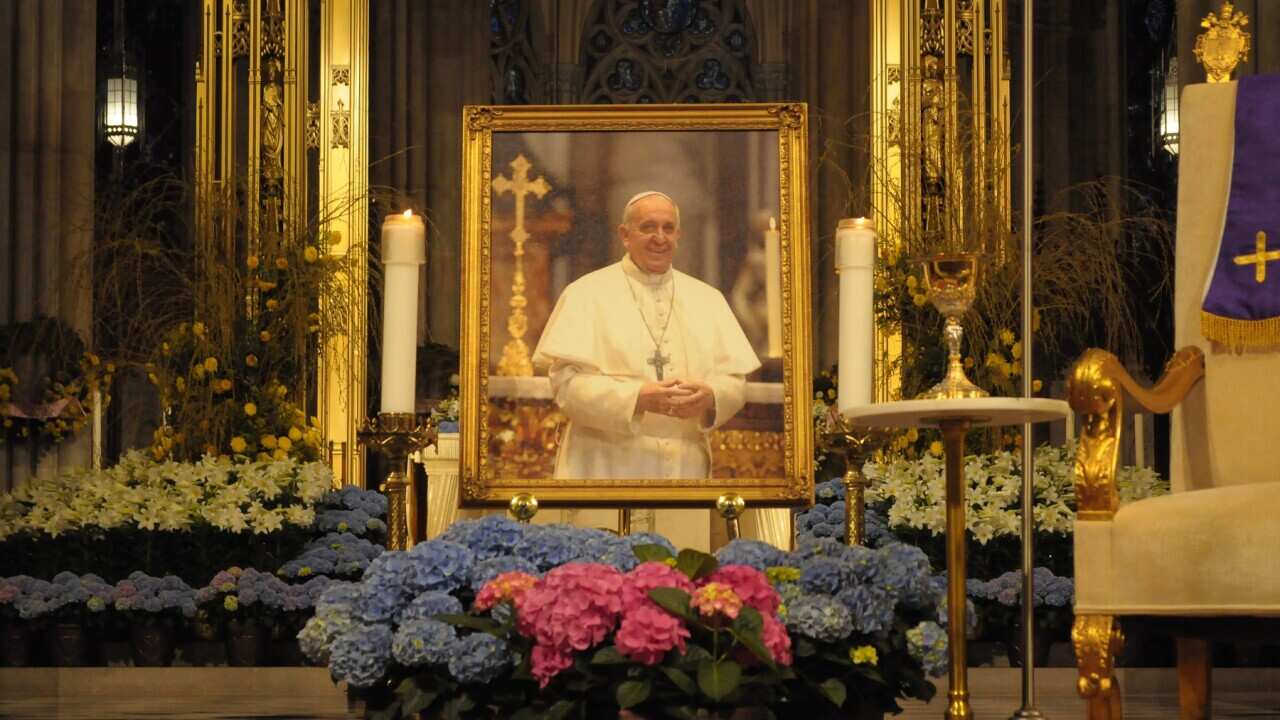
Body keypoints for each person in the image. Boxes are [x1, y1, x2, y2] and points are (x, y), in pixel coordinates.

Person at [532, 191, 761, 479]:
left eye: (668, 228)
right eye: (648, 227)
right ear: (625, 234)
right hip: (602, 463)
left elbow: (735, 382)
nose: (660, 237)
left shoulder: (708, 298)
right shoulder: (586, 293)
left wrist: (711, 396)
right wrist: (636, 397)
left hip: (684, 466)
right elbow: (566, 387)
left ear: (678, 235)